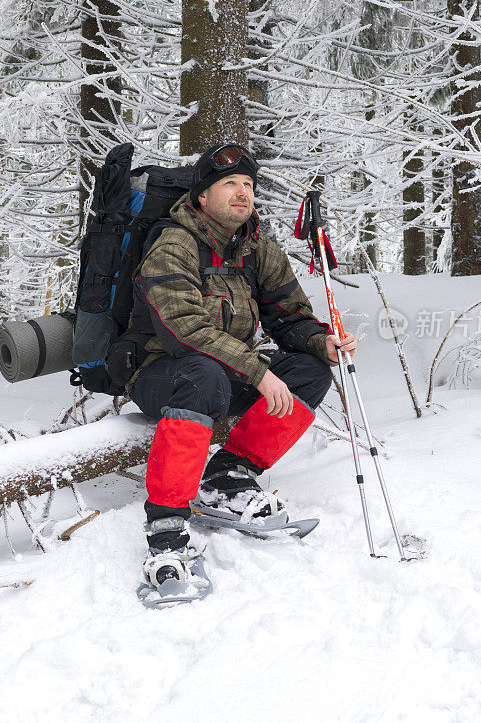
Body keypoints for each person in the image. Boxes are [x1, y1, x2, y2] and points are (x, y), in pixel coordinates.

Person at [126, 143, 358, 590]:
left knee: (310, 370)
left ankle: (228, 476)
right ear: (201, 197)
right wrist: (257, 371)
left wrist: (321, 341)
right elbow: (185, 331)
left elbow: (289, 317)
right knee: (203, 372)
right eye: (229, 183)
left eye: (248, 185)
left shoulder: (258, 248)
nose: (242, 193)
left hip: (226, 372)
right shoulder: (173, 244)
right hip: (161, 372)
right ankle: (166, 528)